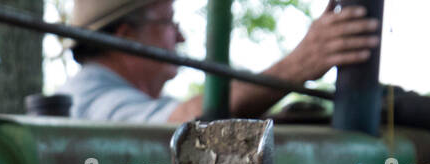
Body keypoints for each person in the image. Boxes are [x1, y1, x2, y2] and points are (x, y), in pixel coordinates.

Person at [60, 0, 381, 124]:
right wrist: (299, 64)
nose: (181, 37)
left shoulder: (120, 99)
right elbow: (180, 123)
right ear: (127, 36)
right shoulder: (90, 100)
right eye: (169, 22)